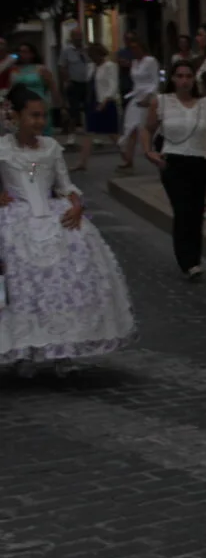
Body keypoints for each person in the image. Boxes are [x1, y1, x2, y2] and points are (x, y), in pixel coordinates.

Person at [0, 86, 136, 377]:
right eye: (33, 115)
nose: (39, 122)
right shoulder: (3, 149)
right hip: (16, 222)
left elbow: (65, 185)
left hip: (54, 216)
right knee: (24, 289)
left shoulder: (50, 147)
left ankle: (64, 347)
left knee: (62, 283)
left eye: (42, 116)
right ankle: (26, 349)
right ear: (17, 115)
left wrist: (77, 206)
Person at [138, 60, 206, 279]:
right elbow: (147, 129)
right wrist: (149, 152)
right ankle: (188, 262)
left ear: (194, 79)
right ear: (173, 79)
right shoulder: (162, 102)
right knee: (183, 211)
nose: (184, 81)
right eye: (180, 76)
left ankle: (195, 259)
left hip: (200, 162)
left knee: (196, 212)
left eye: (188, 76)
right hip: (173, 161)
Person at [76, 43, 120, 171]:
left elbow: (113, 85)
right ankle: (82, 162)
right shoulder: (91, 67)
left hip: (105, 101)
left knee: (112, 133)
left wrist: (105, 101)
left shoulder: (110, 66)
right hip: (93, 102)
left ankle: (126, 154)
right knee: (89, 132)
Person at [118, 35, 159, 171]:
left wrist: (149, 97)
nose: (134, 52)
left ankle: (152, 153)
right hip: (136, 97)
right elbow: (135, 81)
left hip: (147, 97)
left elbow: (155, 81)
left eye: (136, 48)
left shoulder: (151, 61)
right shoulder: (135, 63)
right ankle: (128, 159)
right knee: (131, 127)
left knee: (145, 127)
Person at [11, 42, 59, 136]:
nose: (22, 54)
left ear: (32, 54)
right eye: (20, 52)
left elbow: (52, 87)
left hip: (39, 102)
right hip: (20, 104)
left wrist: (58, 106)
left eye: (25, 52)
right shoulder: (14, 69)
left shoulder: (40, 69)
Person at [58, 27, 93, 139]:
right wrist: (67, 81)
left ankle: (91, 132)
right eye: (76, 36)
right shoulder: (67, 51)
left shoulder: (87, 49)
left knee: (89, 108)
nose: (79, 39)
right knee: (74, 110)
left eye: (80, 36)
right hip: (74, 83)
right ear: (72, 38)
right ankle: (71, 136)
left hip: (87, 83)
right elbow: (62, 66)